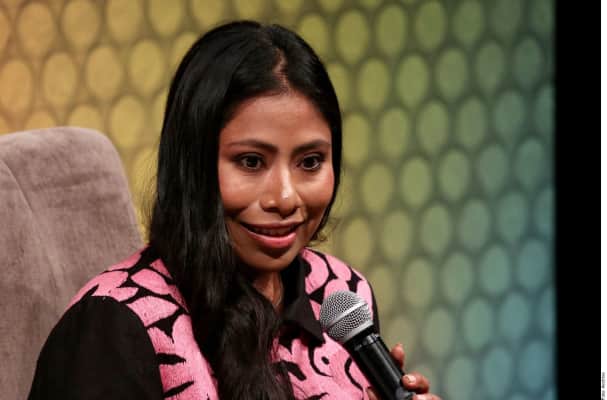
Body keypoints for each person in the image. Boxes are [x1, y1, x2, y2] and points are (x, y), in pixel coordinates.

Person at [28, 21, 440, 400]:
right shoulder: (116, 327)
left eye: (311, 161)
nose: (285, 198)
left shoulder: (340, 293)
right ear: (193, 165)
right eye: (251, 162)